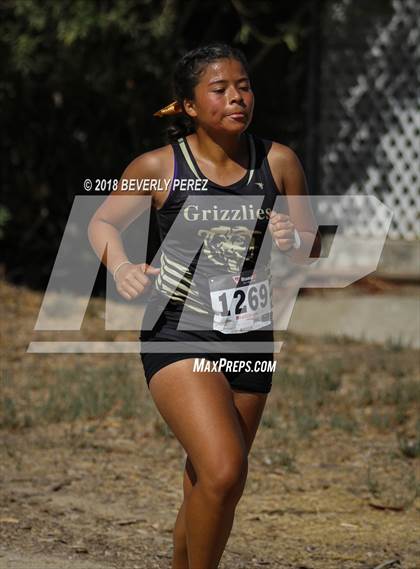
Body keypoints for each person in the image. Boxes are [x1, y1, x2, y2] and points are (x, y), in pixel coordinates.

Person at [88, 42, 321, 569]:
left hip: (250, 337)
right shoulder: (158, 166)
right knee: (221, 469)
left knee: (213, 483)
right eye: (220, 90)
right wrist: (122, 266)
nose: (237, 98)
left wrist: (293, 239)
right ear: (190, 106)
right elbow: (101, 222)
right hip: (178, 334)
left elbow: (312, 244)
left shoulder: (279, 162)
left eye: (244, 86)